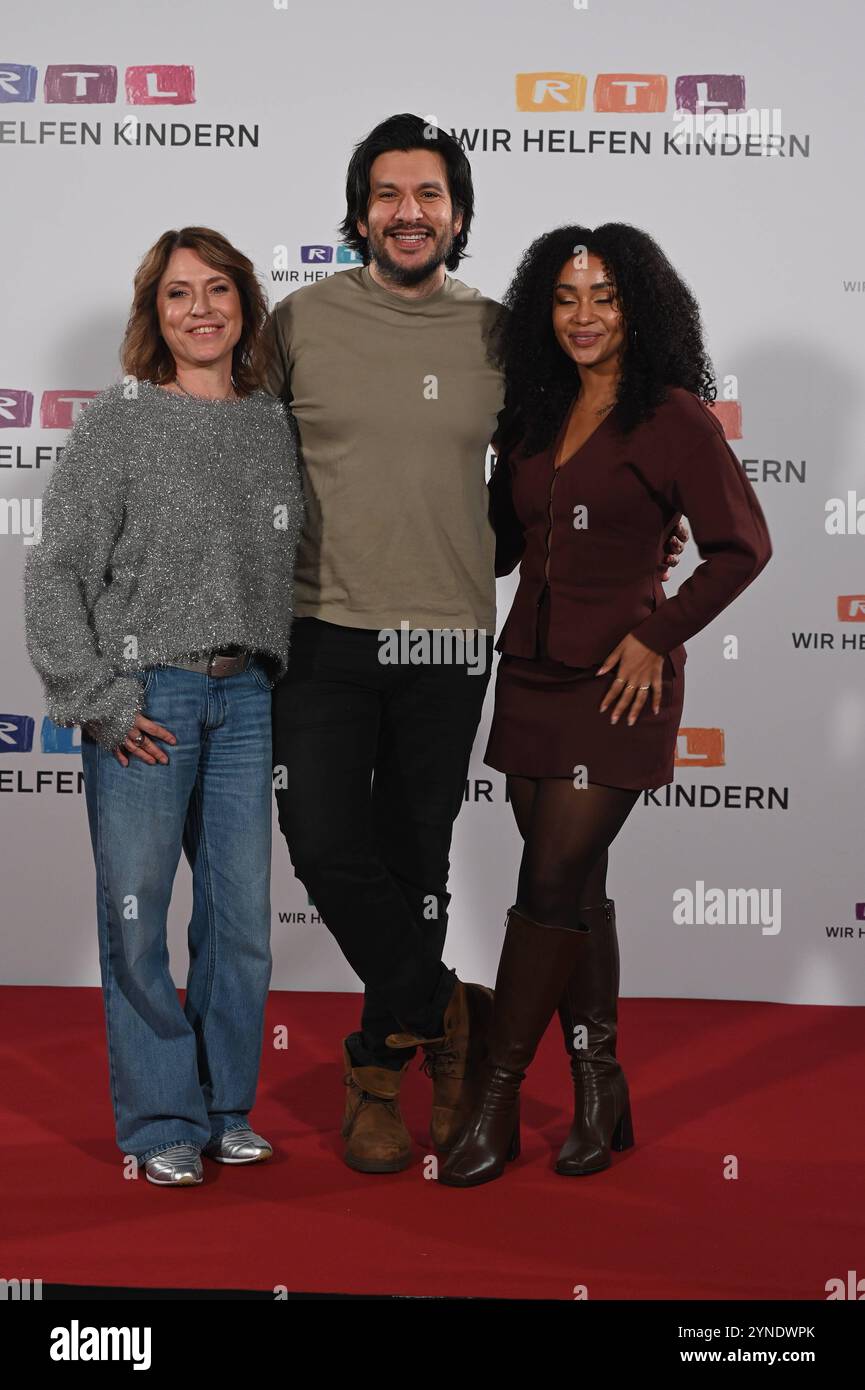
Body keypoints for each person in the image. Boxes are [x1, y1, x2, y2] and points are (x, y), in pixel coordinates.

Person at [262, 114, 686, 1174]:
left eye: (431, 196)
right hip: (319, 626)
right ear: (359, 210)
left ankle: (380, 1070)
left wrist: (643, 535)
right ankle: (448, 1011)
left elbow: (572, 457)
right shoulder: (297, 323)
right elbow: (244, 468)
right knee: (322, 843)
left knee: (415, 864)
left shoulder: (504, 337)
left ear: (457, 214)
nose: (411, 213)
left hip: (446, 641)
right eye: (390, 194)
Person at [438, 223, 772, 1187]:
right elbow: (500, 543)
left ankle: (495, 1100)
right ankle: (597, 1086)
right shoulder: (532, 413)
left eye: (606, 298)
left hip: (617, 684)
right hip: (531, 677)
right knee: (576, 891)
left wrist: (655, 634)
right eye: (566, 298)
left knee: (546, 889)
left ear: (641, 310)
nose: (584, 317)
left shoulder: (672, 417)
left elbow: (740, 547)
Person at [23, 227, 304, 1186]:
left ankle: (225, 1107)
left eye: (218, 290)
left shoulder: (271, 421)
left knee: (240, 926)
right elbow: (57, 569)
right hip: (147, 698)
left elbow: (286, 565)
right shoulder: (121, 419)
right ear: (154, 313)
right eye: (179, 294)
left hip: (248, 698)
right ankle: (158, 1125)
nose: (200, 310)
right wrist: (95, 699)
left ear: (244, 306)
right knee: (138, 922)